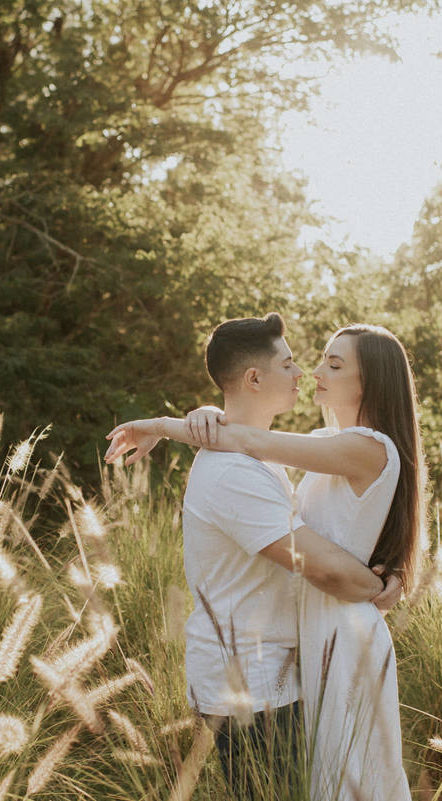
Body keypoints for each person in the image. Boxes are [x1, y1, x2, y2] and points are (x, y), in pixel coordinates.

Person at [106, 315, 422, 801]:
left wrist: (166, 425)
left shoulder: (364, 447)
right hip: (284, 656)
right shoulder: (309, 449)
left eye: (331, 364)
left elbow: (253, 442)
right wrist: (199, 418)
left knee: (352, 782)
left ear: (371, 381)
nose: (309, 372)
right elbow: (253, 444)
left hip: (333, 632)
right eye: (299, 362)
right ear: (255, 378)